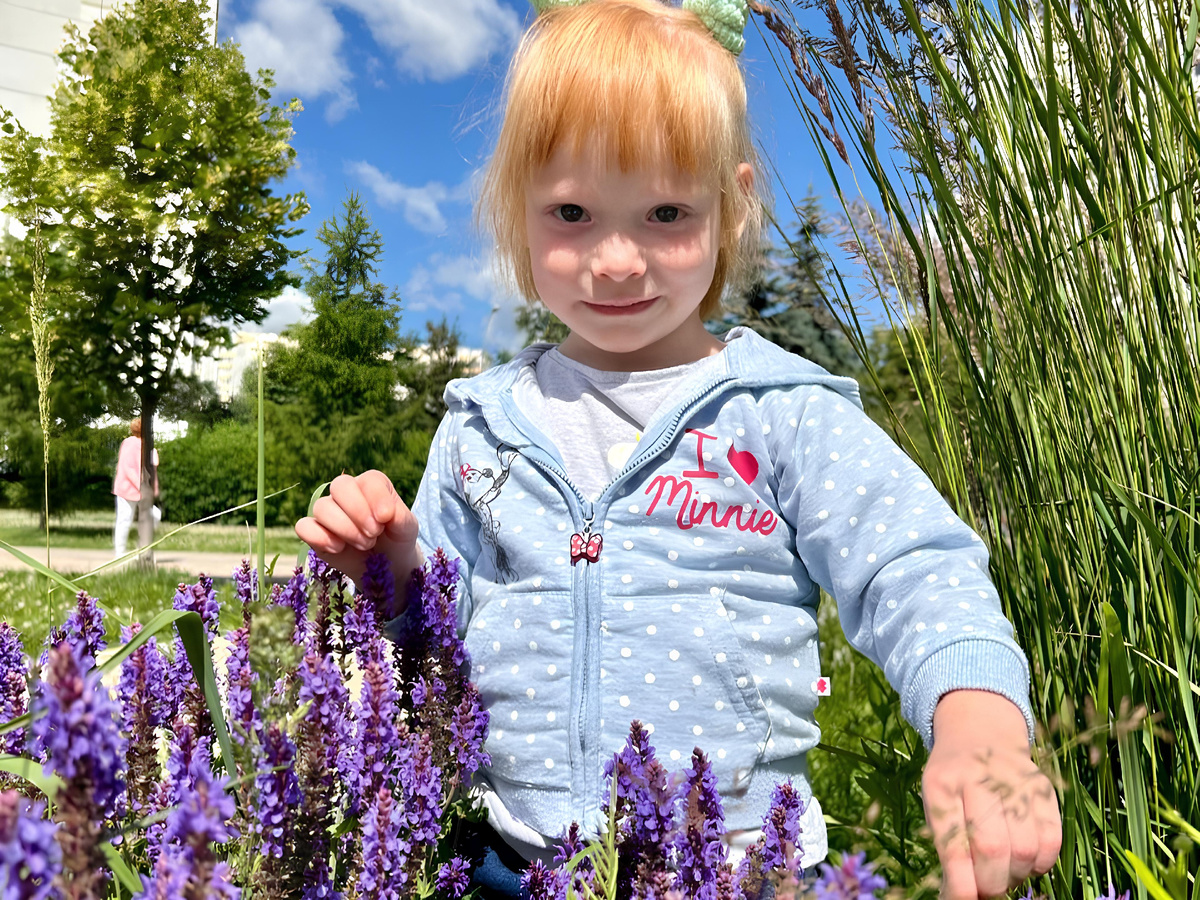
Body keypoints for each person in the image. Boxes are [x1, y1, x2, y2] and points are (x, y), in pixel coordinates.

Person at [297, 0, 1062, 896]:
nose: (617, 260)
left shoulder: (780, 411)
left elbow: (914, 567)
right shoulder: (484, 420)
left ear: (731, 206)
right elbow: (438, 635)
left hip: (739, 867)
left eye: (665, 212)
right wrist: (389, 568)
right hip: (521, 867)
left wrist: (976, 717)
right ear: (518, 210)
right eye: (573, 211)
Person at [112, 417, 161, 558]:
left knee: (126, 519)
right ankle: (125, 552)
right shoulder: (137, 445)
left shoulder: (131, 443)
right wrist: (147, 487)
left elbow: (125, 467)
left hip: (129, 487)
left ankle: (134, 550)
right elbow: (147, 469)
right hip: (131, 488)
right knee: (128, 519)